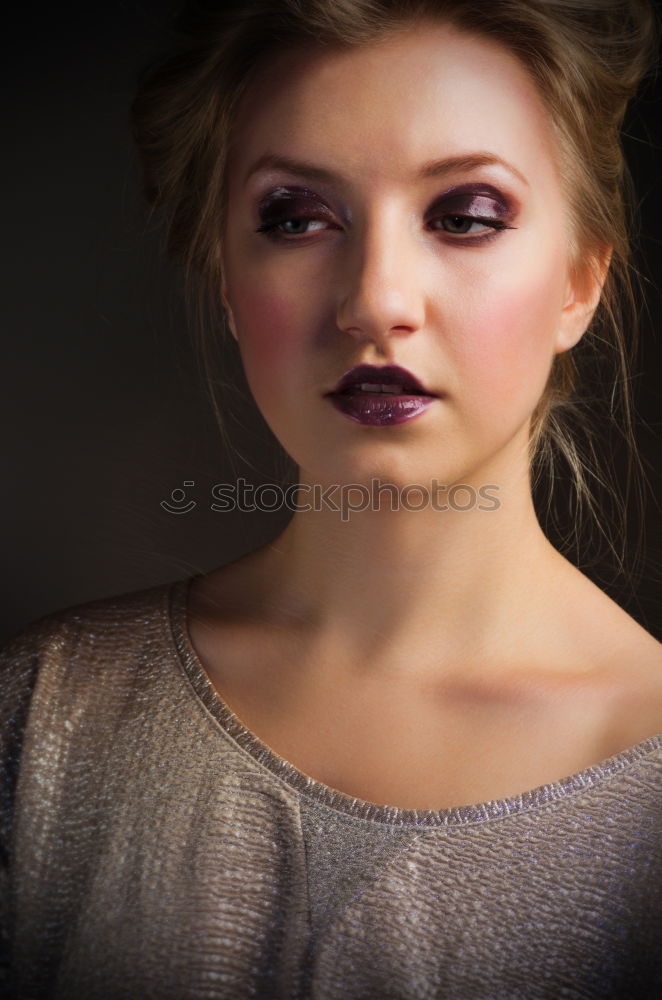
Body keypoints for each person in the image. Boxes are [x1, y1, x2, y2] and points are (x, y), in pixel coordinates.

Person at [2, 0, 661, 996]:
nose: (374, 300)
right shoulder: (44, 717)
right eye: (296, 217)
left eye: (465, 216)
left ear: (579, 280)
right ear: (227, 278)